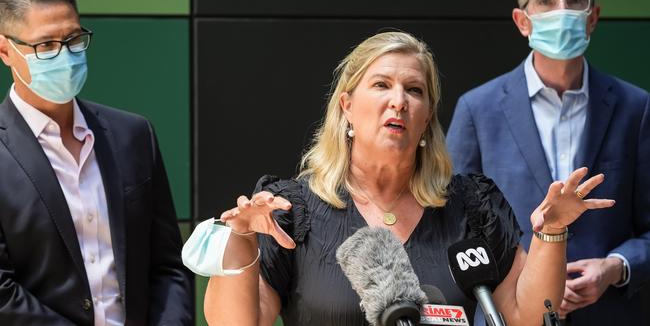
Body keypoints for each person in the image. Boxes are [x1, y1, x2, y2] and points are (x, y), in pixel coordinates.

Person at [193, 31, 613, 326]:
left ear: (427, 117)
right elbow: (238, 322)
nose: (399, 101)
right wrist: (243, 240)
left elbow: (528, 317)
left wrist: (552, 231)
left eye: (414, 90)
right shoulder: (290, 210)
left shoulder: (472, 206)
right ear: (347, 108)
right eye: (381, 85)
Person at [446, 0, 650, 324]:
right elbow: (451, 227)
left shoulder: (635, 107)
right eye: (546, 1)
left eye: (575, 1)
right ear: (522, 20)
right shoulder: (478, 109)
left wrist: (615, 267)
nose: (562, 12)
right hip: (509, 315)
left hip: (608, 314)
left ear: (593, 16)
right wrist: (525, 278)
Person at [0, 0, 192, 325]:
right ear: (5, 50)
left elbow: (167, 264)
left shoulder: (132, 135)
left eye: (73, 39)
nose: (65, 55)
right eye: (46, 45)